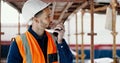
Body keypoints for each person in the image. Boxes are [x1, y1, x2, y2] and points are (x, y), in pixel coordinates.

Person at [7, 0, 73, 63]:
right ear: (36, 20)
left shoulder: (55, 39)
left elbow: (68, 61)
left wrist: (60, 42)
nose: (51, 19)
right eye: (47, 17)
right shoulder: (18, 42)